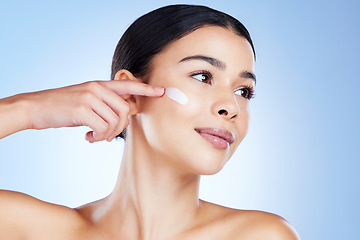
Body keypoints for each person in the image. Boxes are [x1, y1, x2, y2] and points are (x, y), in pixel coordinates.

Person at [0, 4, 300, 239]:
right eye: (202, 76)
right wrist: (27, 109)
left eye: (243, 91)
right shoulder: (34, 230)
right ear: (130, 94)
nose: (231, 106)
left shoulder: (261, 236)